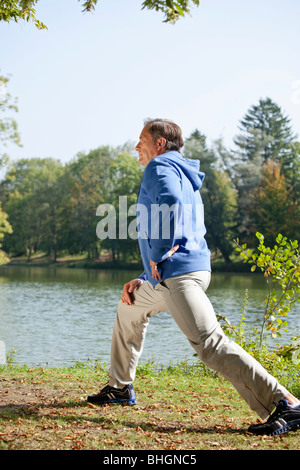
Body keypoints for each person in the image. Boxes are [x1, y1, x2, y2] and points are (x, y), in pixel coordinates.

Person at [88, 118, 300, 436]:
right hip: (184, 270)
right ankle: (120, 388)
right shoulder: (182, 174)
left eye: (142, 139)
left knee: (210, 345)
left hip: (179, 274)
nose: (137, 146)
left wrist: (159, 256)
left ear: (160, 143)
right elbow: (181, 224)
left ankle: (287, 404)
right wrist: (145, 275)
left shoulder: (159, 168)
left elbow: (171, 210)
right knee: (130, 306)